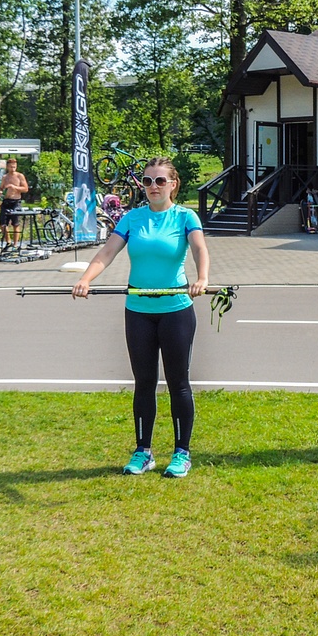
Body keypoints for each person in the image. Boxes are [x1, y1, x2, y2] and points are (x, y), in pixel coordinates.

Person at [71, 157, 209, 479]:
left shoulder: (185, 217)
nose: (153, 187)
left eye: (160, 181)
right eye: (147, 182)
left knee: (178, 384)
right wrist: (87, 278)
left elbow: (200, 249)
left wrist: (201, 278)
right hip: (139, 312)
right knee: (143, 383)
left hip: (175, 308)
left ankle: (181, 453)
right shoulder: (133, 219)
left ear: (173, 184)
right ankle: (143, 452)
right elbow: (107, 252)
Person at [0, 158, 29, 248]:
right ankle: (8, 242)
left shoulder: (20, 176)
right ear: (7, 167)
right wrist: (0, 192)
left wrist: (15, 187)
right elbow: (1, 188)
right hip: (6, 201)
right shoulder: (5, 177)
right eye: (11, 167)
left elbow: (25, 189)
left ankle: (16, 244)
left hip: (15, 201)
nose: (13, 168)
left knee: (15, 223)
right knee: (2, 223)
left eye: (14, 167)